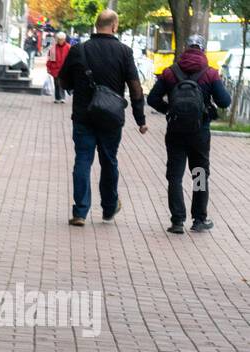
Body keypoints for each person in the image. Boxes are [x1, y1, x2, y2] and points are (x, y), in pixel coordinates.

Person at [57, 9, 148, 226]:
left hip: (83, 116)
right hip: (111, 118)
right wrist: (140, 119)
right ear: (114, 26)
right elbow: (135, 88)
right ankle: (108, 208)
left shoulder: (79, 50)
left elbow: (63, 81)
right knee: (109, 161)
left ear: (97, 25)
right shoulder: (124, 52)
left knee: (83, 160)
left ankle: (80, 212)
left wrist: (77, 88)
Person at [147, 35, 232, 233]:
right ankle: (199, 218)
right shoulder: (210, 73)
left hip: (175, 131)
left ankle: (177, 220)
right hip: (200, 131)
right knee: (199, 173)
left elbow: (152, 98)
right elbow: (225, 101)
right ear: (202, 50)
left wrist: (168, 110)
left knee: (175, 175)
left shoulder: (170, 72)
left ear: (186, 48)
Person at [47, 31, 71, 103]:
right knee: (57, 83)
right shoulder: (53, 48)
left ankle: (62, 97)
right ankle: (57, 98)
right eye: (59, 39)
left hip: (65, 68)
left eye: (62, 39)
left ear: (64, 39)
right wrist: (48, 68)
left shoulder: (68, 47)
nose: (60, 41)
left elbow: (71, 58)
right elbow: (50, 59)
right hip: (55, 68)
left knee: (62, 83)